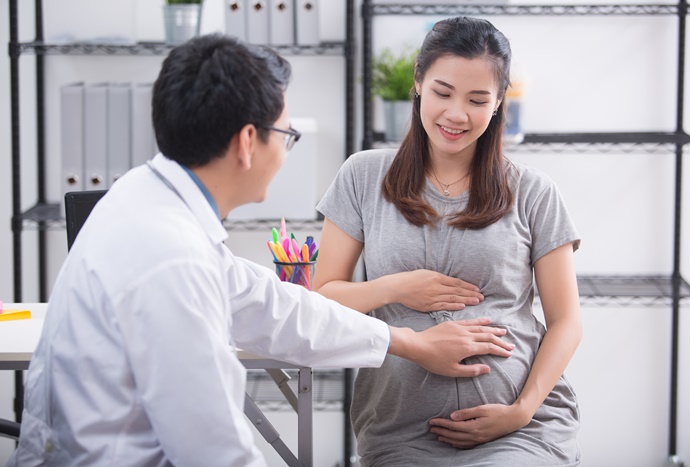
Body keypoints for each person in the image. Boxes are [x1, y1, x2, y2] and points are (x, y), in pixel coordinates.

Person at [6, 34, 517, 467]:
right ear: (249, 142)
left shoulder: (149, 199)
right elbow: (214, 445)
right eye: (286, 134)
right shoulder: (171, 256)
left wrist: (405, 341)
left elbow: (271, 304)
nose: (286, 151)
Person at [314, 16, 582, 466]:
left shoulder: (535, 192)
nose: (456, 114)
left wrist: (520, 411)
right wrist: (399, 287)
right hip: (400, 432)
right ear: (418, 82)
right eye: (442, 92)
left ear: (499, 103)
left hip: (522, 431)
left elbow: (566, 322)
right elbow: (323, 296)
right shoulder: (362, 176)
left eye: (478, 100)